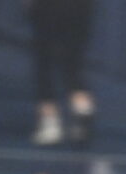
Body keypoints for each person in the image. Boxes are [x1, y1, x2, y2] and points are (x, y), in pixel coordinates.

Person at [29, 0, 96, 146]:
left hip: (47, 7)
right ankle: (82, 107)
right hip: (80, 7)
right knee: (72, 63)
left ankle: (50, 121)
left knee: (45, 61)